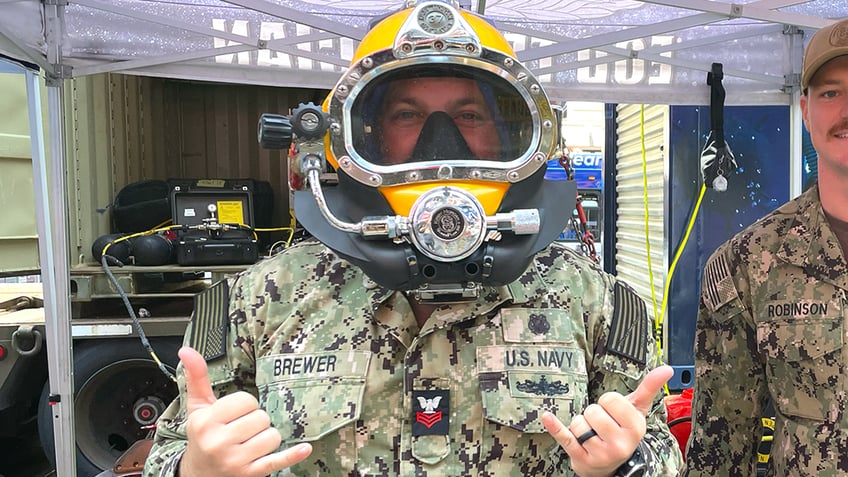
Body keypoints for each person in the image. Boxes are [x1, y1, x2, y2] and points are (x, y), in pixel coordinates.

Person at [143, 2, 682, 476]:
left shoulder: (594, 299)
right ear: (356, 133)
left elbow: (658, 445)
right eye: (408, 114)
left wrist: (626, 465)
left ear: (515, 135)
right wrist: (195, 469)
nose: (441, 137)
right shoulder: (257, 300)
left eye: (469, 114)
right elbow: (168, 449)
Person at [683, 17, 848, 476]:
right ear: (805, 111)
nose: (846, 109)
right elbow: (721, 444)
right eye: (831, 93)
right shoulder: (747, 263)